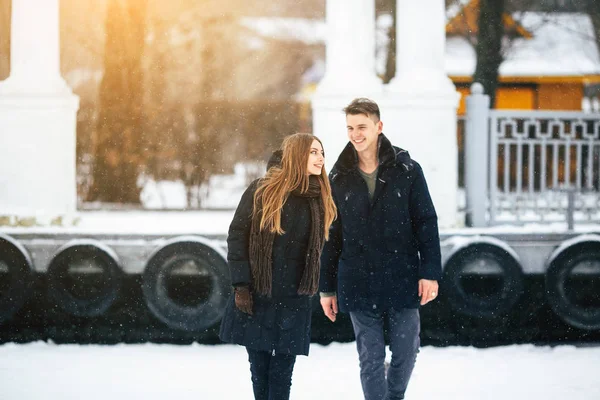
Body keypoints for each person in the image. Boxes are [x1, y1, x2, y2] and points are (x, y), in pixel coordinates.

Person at [319, 98, 441, 400]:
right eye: (350, 128)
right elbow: (331, 236)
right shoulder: (338, 177)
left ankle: (395, 396)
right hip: (357, 279)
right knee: (370, 358)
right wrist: (326, 289)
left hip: (402, 274)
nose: (355, 134)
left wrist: (430, 273)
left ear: (378, 126)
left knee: (406, 350)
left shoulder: (407, 169)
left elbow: (426, 222)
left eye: (362, 126)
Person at [219, 133, 337, 400]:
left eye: (322, 153)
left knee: (283, 371)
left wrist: (329, 287)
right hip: (258, 292)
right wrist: (241, 285)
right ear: (297, 156)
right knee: (259, 368)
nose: (320, 158)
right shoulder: (262, 190)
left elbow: (326, 247)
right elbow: (238, 235)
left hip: (295, 296)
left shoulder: (319, 194)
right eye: (313, 152)